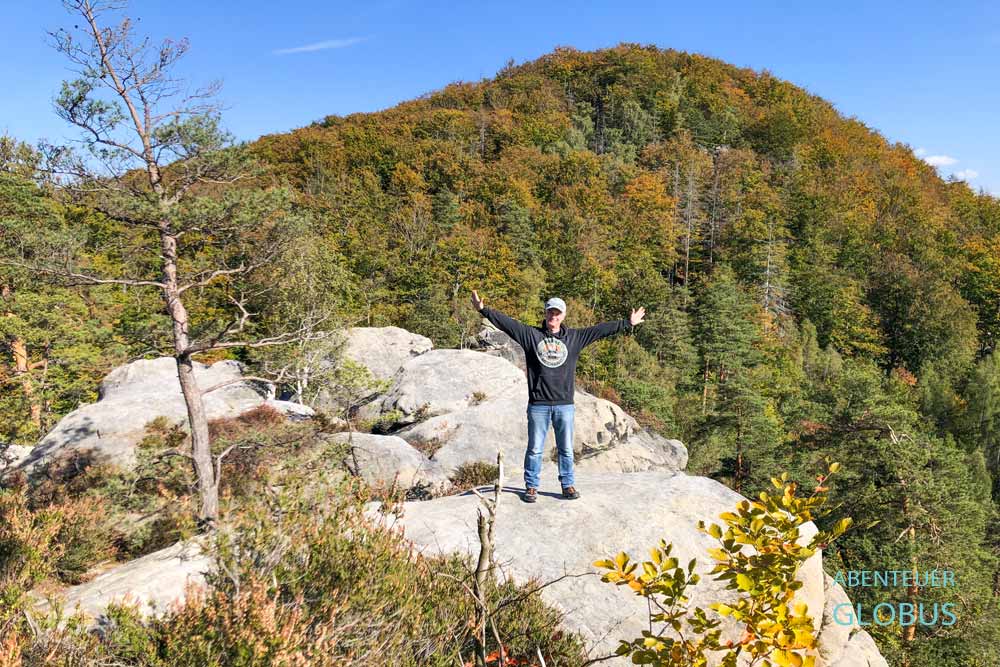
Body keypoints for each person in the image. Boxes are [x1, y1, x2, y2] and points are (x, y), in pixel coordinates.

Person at [471, 290, 645, 503]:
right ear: (545, 314)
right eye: (550, 312)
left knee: (566, 449)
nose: (553, 316)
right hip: (539, 405)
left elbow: (600, 330)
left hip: (564, 405)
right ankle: (532, 487)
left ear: (563, 315)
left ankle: (567, 485)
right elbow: (508, 323)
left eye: (557, 313)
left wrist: (627, 323)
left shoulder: (575, 338)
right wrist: (484, 310)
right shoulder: (531, 336)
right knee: (535, 449)